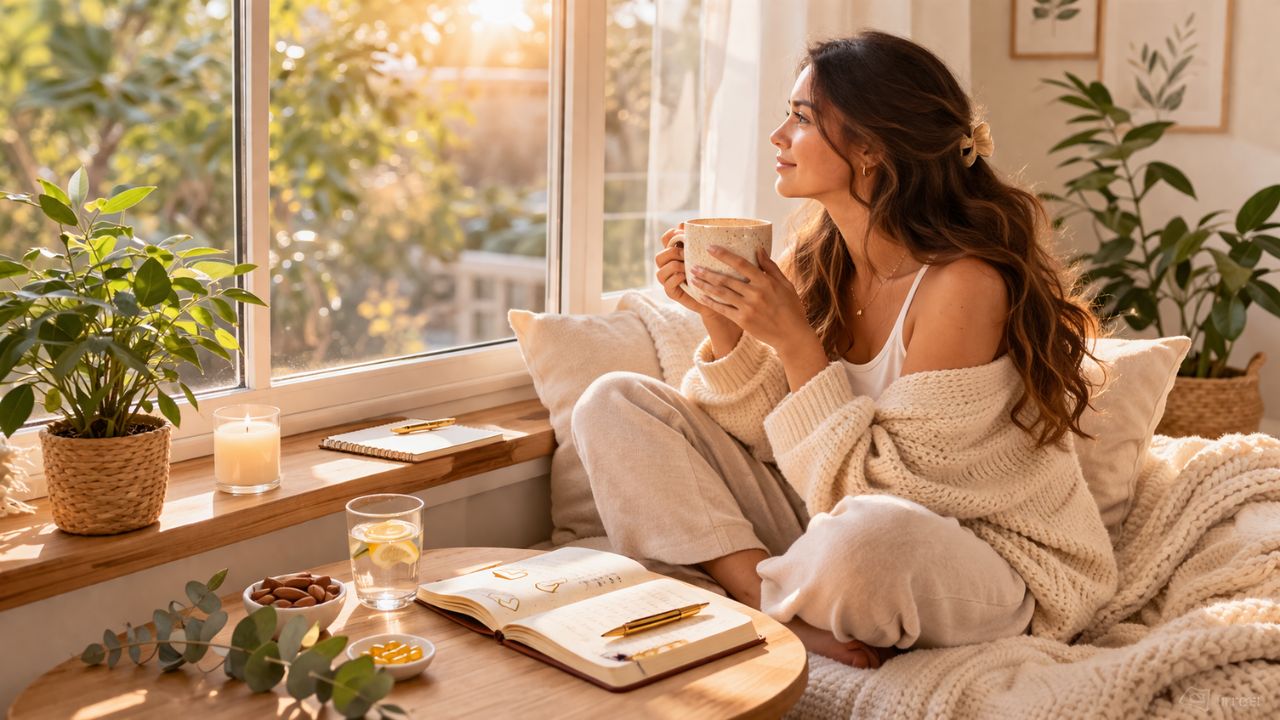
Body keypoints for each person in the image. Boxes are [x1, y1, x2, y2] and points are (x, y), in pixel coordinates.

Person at [572, 32, 1118, 669]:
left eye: (802, 118)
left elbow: (898, 495)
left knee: (869, 538)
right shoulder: (817, 258)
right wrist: (723, 322)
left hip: (978, 554)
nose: (778, 135)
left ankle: (749, 596)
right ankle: (765, 601)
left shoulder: (961, 285)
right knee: (613, 401)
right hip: (826, 521)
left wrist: (796, 343)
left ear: (871, 148)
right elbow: (768, 439)